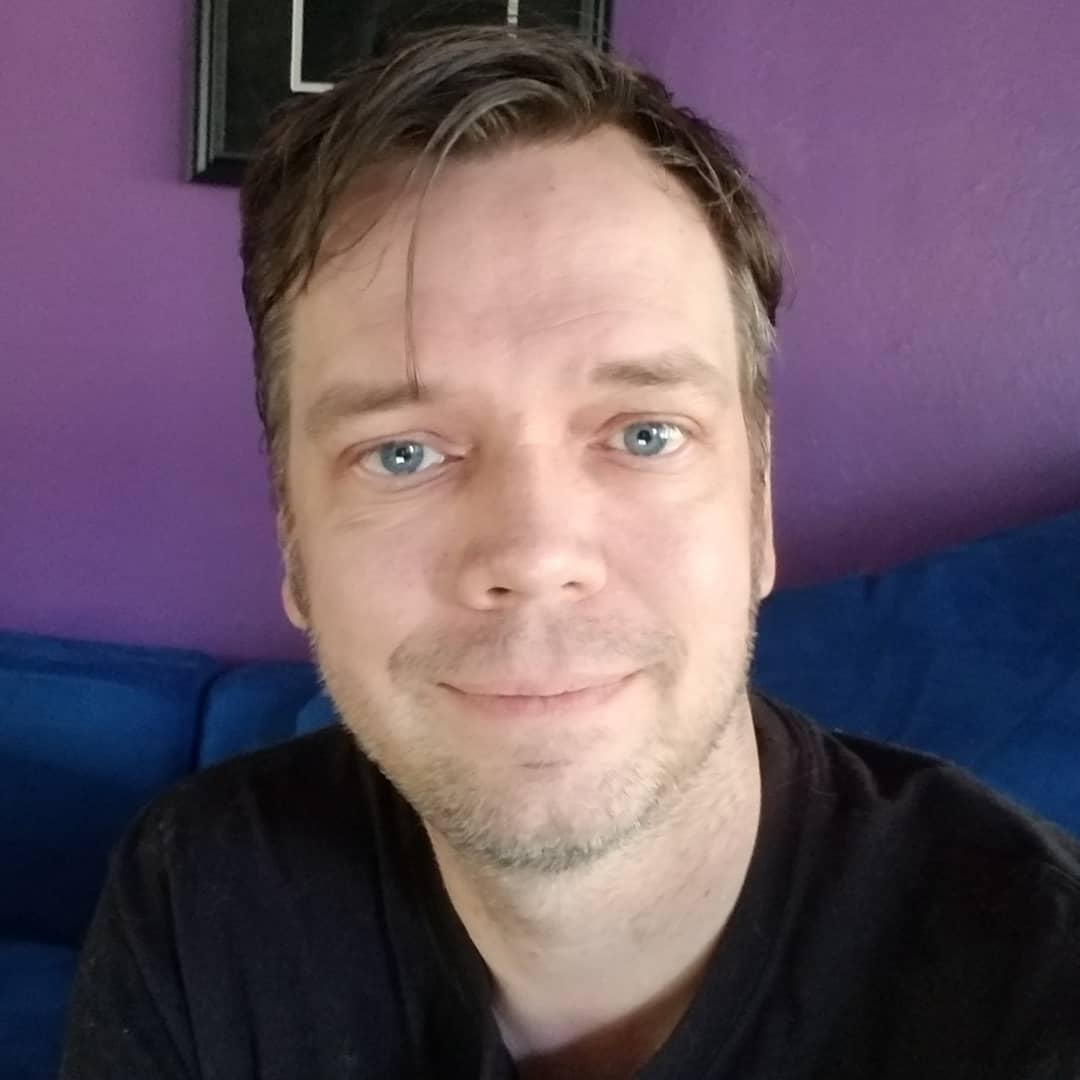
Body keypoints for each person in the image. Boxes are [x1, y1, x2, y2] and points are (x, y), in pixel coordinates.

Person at [59, 23, 1080, 1080]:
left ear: (758, 503)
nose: (535, 552)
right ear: (292, 535)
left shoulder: (1035, 986)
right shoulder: (203, 893)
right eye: (403, 452)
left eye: (644, 434)